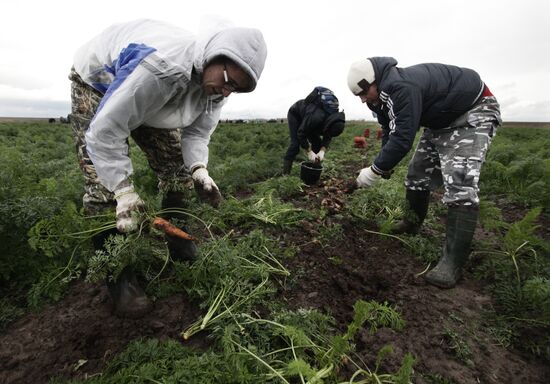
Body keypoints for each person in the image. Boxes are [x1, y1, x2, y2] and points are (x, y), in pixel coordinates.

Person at [69, 19, 267, 318]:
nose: (227, 92)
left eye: (235, 89)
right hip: (100, 85)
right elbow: (106, 131)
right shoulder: (161, 67)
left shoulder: (215, 86)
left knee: (178, 171)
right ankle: (120, 279)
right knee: (102, 187)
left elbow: (198, 134)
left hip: (155, 99)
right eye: (228, 81)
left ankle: (179, 243)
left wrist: (199, 169)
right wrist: (123, 191)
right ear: (215, 55)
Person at [347, 57, 501, 288]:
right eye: (357, 95)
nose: (362, 100)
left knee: (459, 181)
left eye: (363, 92)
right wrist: (384, 164)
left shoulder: (399, 88)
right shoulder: (378, 98)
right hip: (441, 120)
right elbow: (391, 129)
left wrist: (374, 171)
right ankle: (411, 223)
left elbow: (403, 138)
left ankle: (452, 264)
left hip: (472, 111)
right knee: (417, 172)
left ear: (373, 81)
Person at [282, 87, 346, 174]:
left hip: (310, 120)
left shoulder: (333, 118)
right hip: (296, 115)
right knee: (295, 145)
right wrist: (309, 151)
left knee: (317, 144)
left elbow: (328, 134)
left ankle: (314, 168)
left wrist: (322, 151)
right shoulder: (316, 117)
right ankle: (285, 174)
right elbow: (301, 133)